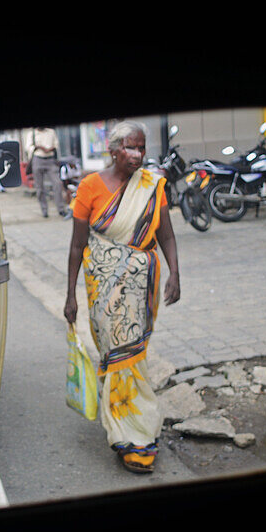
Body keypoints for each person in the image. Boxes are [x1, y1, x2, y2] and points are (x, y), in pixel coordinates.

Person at [63, 120, 181, 474]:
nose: (137, 155)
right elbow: (77, 245)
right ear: (112, 150)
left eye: (142, 147)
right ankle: (122, 424)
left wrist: (176, 272)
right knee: (114, 355)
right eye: (130, 147)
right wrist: (70, 295)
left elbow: (168, 236)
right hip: (101, 289)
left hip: (141, 286)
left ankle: (136, 436)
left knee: (131, 357)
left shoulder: (152, 186)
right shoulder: (90, 188)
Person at [29, 126, 65, 218]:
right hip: (38, 159)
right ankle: (44, 210)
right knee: (39, 187)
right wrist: (39, 147)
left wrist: (49, 149)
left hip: (50, 160)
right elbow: (28, 147)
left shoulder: (51, 132)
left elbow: (56, 145)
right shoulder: (32, 133)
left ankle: (61, 209)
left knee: (57, 184)